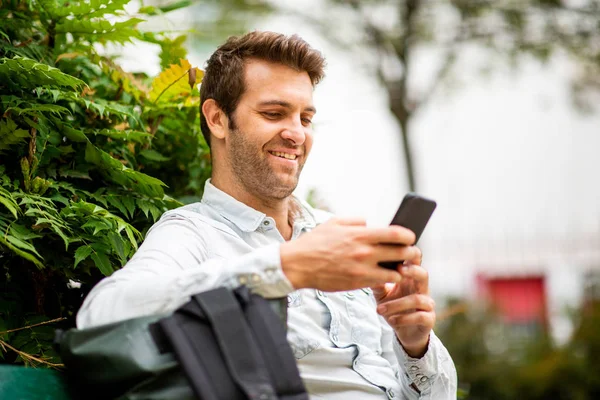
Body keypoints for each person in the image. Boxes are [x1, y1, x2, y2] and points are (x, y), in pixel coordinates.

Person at [77, 31, 457, 399]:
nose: (296, 134)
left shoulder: (333, 235)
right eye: (274, 113)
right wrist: (286, 267)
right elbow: (102, 315)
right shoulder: (192, 232)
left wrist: (414, 344)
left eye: (305, 118)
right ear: (217, 119)